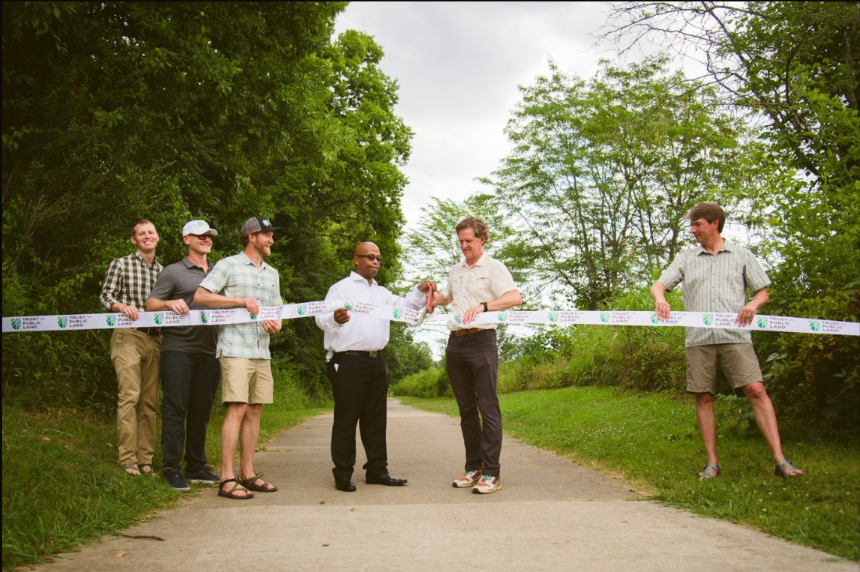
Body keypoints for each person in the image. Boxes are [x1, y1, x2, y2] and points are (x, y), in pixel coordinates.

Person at [650, 202, 803, 481]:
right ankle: (712, 463)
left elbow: (762, 293)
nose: (692, 230)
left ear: (715, 223)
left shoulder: (742, 255)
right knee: (705, 397)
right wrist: (661, 299)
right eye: (692, 224)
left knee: (756, 389)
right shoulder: (686, 258)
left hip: (736, 337)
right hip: (699, 339)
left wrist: (753, 305)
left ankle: (780, 460)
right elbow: (659, 285)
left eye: (697, 224)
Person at [315, 242, 435, 492]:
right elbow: (320, 317)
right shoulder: (341, 288)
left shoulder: (381, 293)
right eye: (370, 257)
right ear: (356, 259)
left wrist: (419, 290)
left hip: (375, 360)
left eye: (379, 258)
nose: (376, 261)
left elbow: (405, 309)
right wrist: (334, 319)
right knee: (346, 418)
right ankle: (343, 473)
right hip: (347, 361)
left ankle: (377, 470)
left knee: (376, 419)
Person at [194, 216, 284, 500]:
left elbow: (277, 311)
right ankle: (226, 478)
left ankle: (247, 473)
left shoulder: (272, 273)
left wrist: (276, 324)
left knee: (255, 409)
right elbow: (201, 296)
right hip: (235, 347)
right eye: (267, 235)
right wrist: (240, 301)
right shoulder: (228, 265)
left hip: (261, 349)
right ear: (251, 237)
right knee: (238, 407)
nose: (271, 240)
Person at [432, 216, 522, 494]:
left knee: (487, 406)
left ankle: (492, 473)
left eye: (469, 240)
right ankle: (474, 468)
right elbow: (447, 298)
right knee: (466, 409)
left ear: (482, 239)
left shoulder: (494, 267)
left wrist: (485, 307)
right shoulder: (456, 270)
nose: (464, 246)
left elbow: (514, 297)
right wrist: (430, 294)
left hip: (482, 340)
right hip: (456, 342)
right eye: (460, 241)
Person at [146, 220, 221, 491]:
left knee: (201, 411)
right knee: (176, 409)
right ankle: (171, 467)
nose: (207, 240)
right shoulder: (173, 272)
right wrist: (167, 303)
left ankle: (197, 466)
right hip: (178, 349)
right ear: (186, 239)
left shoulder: (218, 271)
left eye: (209, 236)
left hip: (210, 350)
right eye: (200, 236)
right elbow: (151, 304)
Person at [99, 219, 163, 477]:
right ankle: (127, 459)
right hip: (128, 335)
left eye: (151, 232)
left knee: (149, 402)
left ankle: (145, 459)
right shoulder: (121, 263)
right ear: (134, 239)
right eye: (141, 233)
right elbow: (106, 295)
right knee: (130, 395)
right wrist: (120, 307)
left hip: (157, 339)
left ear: (157, 237)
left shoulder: (164, 270)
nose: (147, 236)